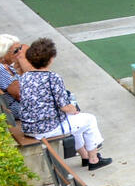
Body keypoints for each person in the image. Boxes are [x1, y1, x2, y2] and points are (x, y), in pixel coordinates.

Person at [16, 37, 110, 170]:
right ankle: (94, 160)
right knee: (89, 119)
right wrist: (74, 109)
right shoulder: (52, 78)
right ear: (51, 59)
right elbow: (64, 106)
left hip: (29, 126)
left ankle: (85, 157)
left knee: (76, 122)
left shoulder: (25, 76)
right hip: (46, 128)